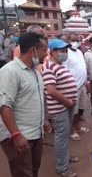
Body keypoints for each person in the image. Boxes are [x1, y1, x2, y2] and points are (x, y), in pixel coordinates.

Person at [0, 32, 50, 177]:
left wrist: (44, 120)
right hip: (19, 136)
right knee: (23, 173)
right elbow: (4, 106)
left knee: (33, 170)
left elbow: (37, 98)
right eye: (43, 50)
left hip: (35, 133)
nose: (46, 54)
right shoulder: (10, 71)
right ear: (33, 50)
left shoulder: (35, 71)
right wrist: (16, 134)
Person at [42, 39, 79, 177]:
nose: (65, 53)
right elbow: (51, 90)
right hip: (60, 108)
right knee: (61, 138)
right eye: (62, 51)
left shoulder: (59, 66)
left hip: (66, 107)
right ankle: (62, 168)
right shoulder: (49, 67)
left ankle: (65, 158)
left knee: (64, 136)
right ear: (52, 52)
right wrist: (68, 102)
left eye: (66, 51)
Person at [63, 32, 90, 141]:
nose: (75, 42)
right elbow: (64, 70)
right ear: (68, 41)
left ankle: (78, 126)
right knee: (73, 110)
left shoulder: (79, 52)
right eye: (72, 40)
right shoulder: (66, 53)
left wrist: (87, 82)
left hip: (82, 84)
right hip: (73, 87)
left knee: (81, 109)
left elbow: (83, 67)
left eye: (77, 40)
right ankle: (73, 130)